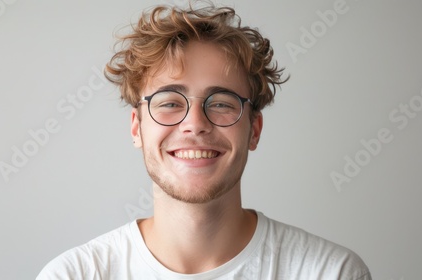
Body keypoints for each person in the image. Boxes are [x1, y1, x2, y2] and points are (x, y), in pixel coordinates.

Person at [37, 3, 371, 279]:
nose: (194, 124)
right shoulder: (74, 275)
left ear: (254, 130)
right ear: (137, 128)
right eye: (169, 102)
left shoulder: (329, 272)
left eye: (222, 103)